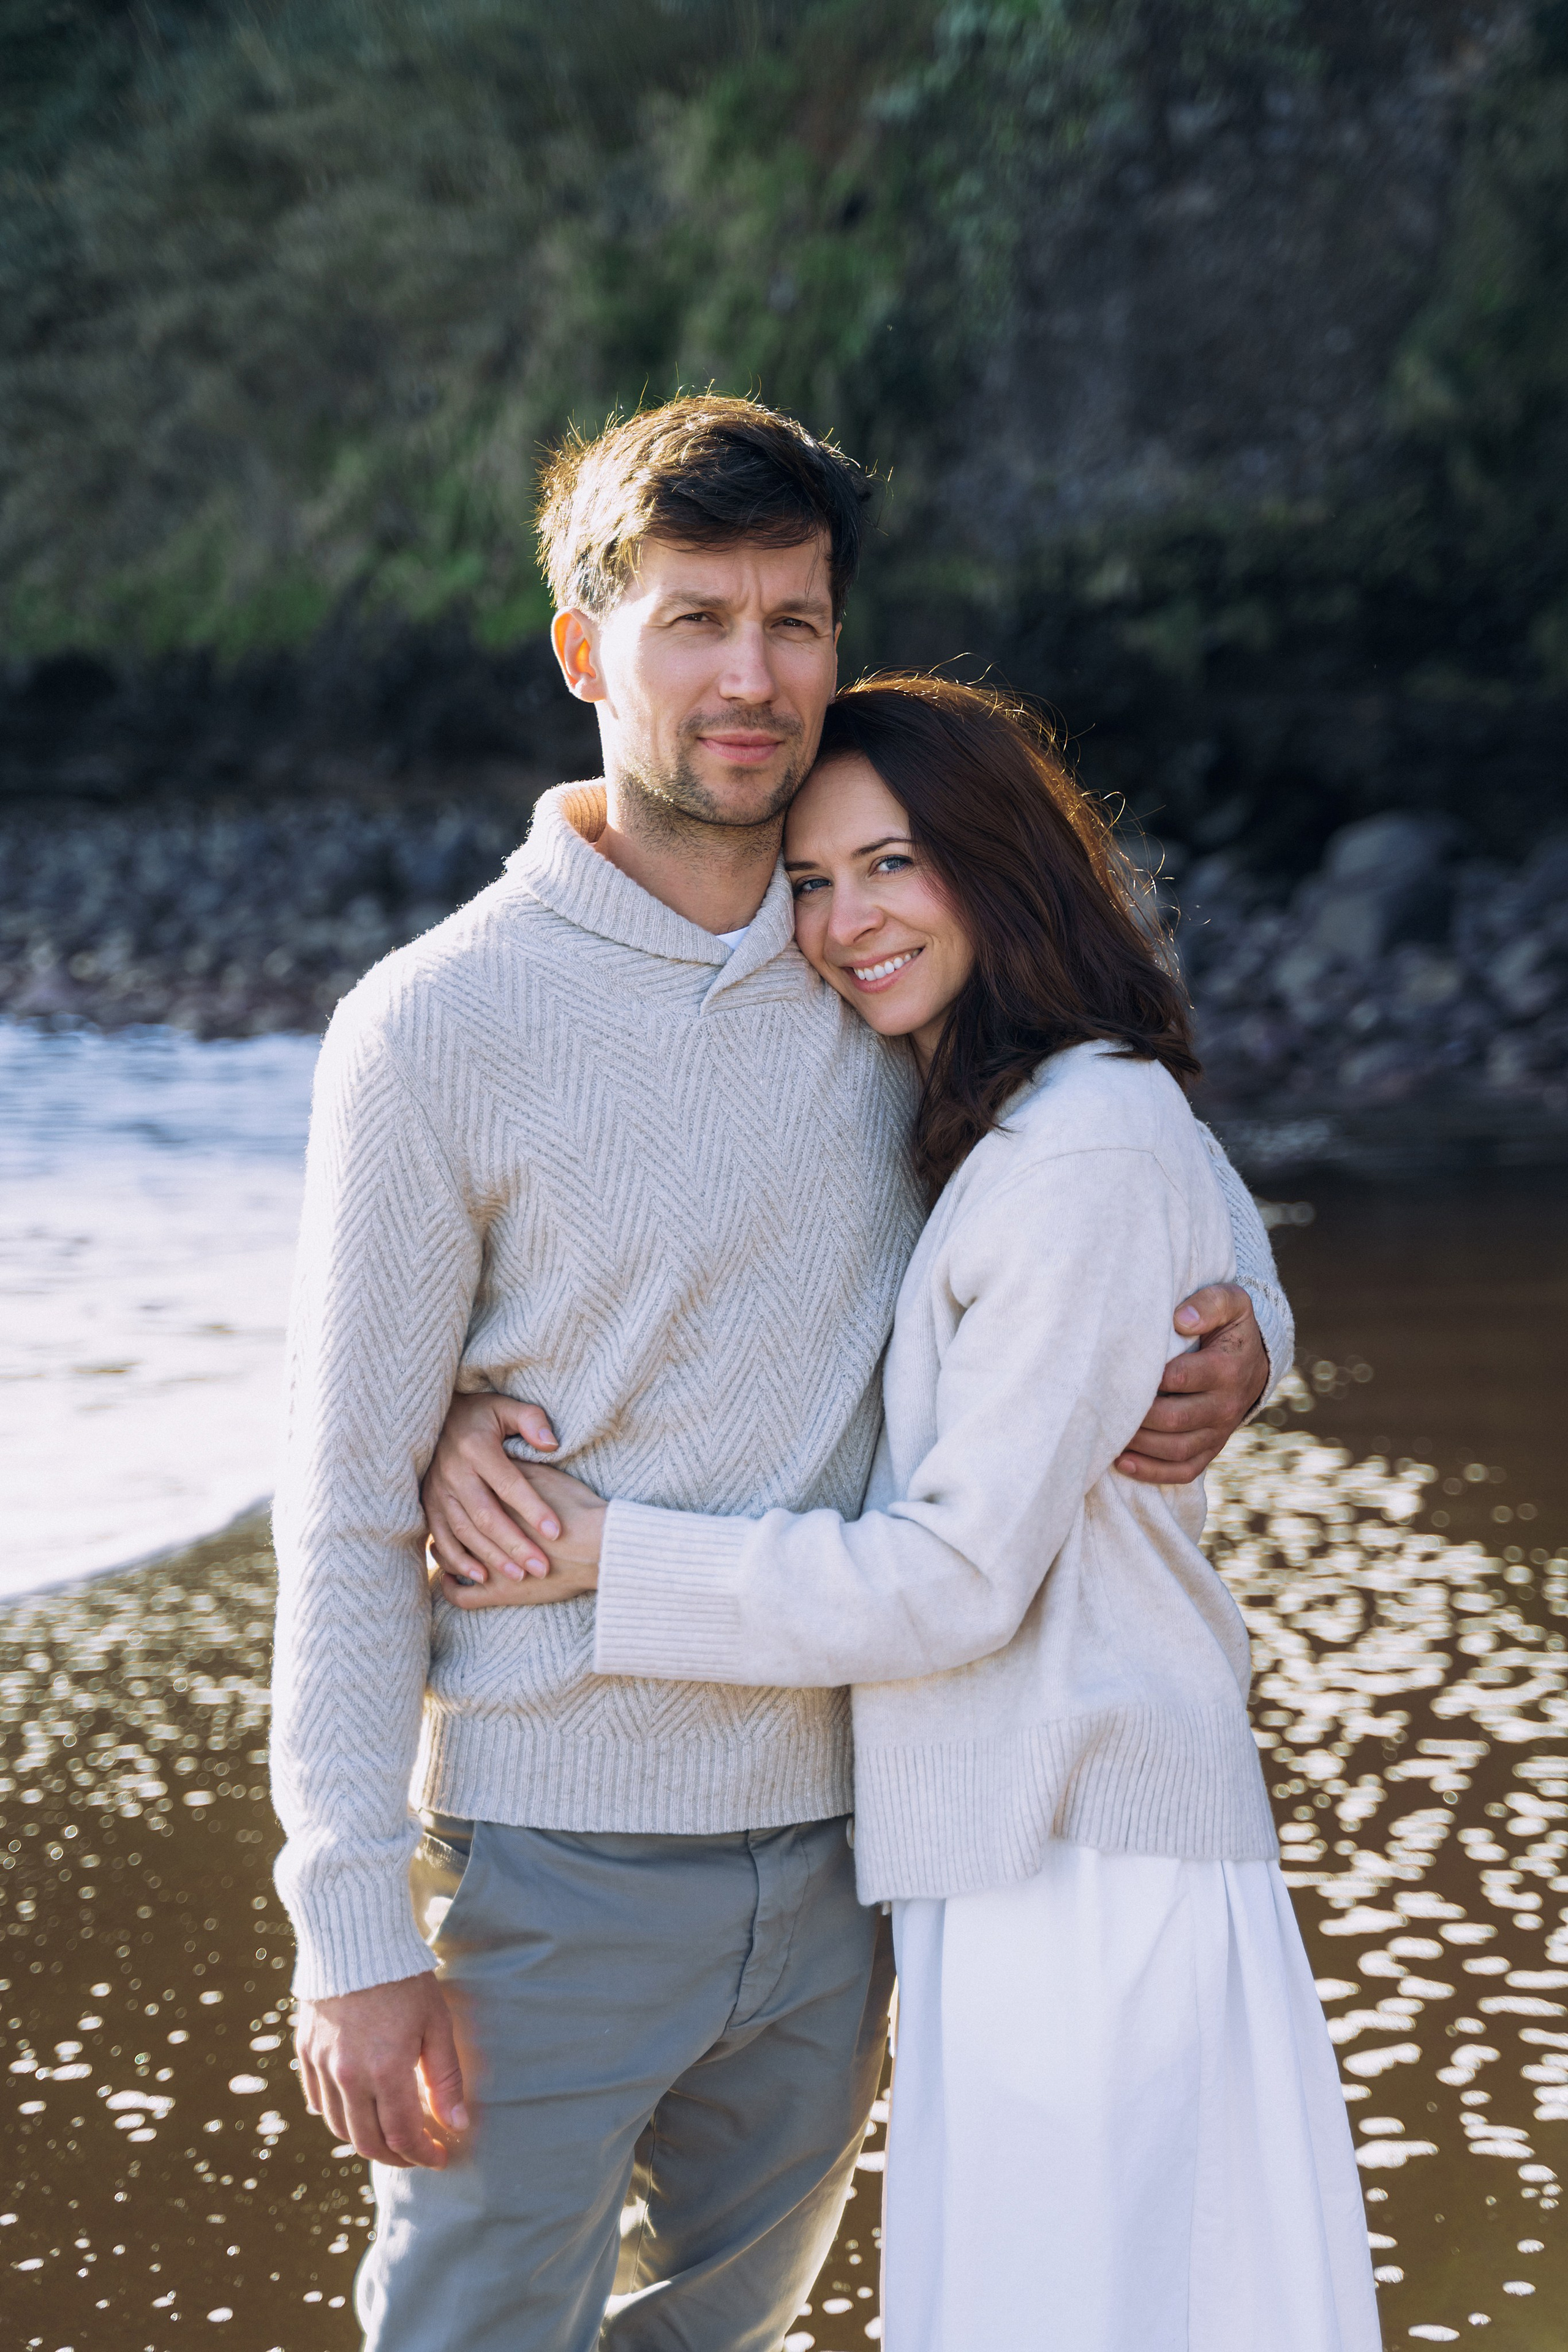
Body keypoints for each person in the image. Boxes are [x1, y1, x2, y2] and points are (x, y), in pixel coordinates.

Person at [271, 394, 1292, 2352]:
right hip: (555, 1863)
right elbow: (339, 1500)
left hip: (856, 1853)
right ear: (587, 651)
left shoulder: (884, 968)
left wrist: (1248, 1329)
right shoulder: (431, 1029)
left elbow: (1127, 1139)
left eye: (796, 621)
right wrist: (353, 1925)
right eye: (695, 621)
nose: (753, 678)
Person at [430, 674, 1376, 2351]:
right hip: (1017, 1841)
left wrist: (599, 1556)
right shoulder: (995, 1099)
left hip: (1085, 1850)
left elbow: (949, 1584)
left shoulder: (1073, 1140)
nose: (847, 921)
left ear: (1002, 864)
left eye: (894, 865)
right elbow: (1195, 1203)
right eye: (813, 880)